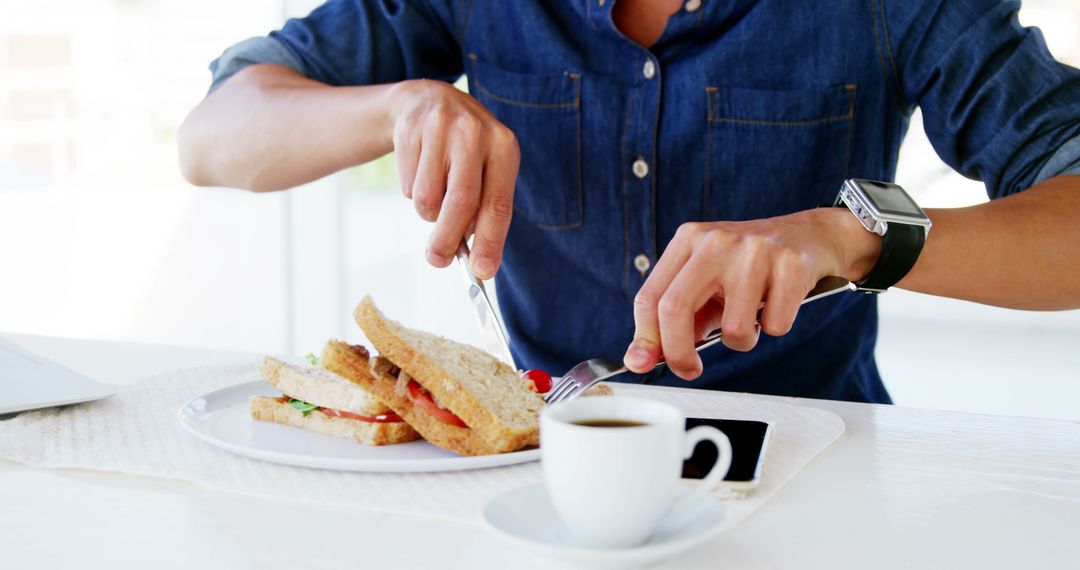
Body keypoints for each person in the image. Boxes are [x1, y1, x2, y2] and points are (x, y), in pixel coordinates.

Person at [178, 0, 1080, 403]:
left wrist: (847, 237)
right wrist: (399, 103)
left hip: (815, 480)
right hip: (543, 473)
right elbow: (213, 136)